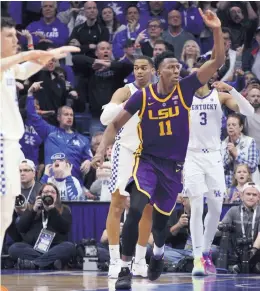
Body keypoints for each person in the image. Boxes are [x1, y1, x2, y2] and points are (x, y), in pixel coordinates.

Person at [92, 9, 225, 289]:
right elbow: (114, 124)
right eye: (171, 67)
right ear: (159, 70)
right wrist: (101, 149)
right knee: (136, 208)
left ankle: (158, 253)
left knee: (161, 224)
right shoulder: (143, 96)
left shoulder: (187, 88)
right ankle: (125, 269)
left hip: (174, 167)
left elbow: (218, 60)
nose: (177, 70)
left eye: (179, 67)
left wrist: (216, 29)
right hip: (147, 162)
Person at [0, 16, 79, 253]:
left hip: (12, 146)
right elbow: (19, 62)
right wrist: (30, 54)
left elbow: (23, 70)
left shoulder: (9, 68)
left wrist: (49, 55)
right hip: (2, 144)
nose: (16, 40)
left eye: (16, 35)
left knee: (5, 214)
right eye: (9, 36)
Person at [183, 74, 254, 276]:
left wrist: (231, 89)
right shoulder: (184, 96)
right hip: (192, 156)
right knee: (196, 208)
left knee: (215, 208)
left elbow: (248, 110)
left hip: (214, 156)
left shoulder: (220, 96)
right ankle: (198, 257)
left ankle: (205, 251)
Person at [100, 56, 155, 278]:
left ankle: (140, 261)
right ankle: (115, 260)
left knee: (147, 207)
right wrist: (127, 104)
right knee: (117, 203)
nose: (139, 72)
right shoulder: (125, 91)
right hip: (124, 152)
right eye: (136, 68)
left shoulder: (162, 93)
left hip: (150, 155)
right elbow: (105, 118)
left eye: (144, 68)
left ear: (153, 70)